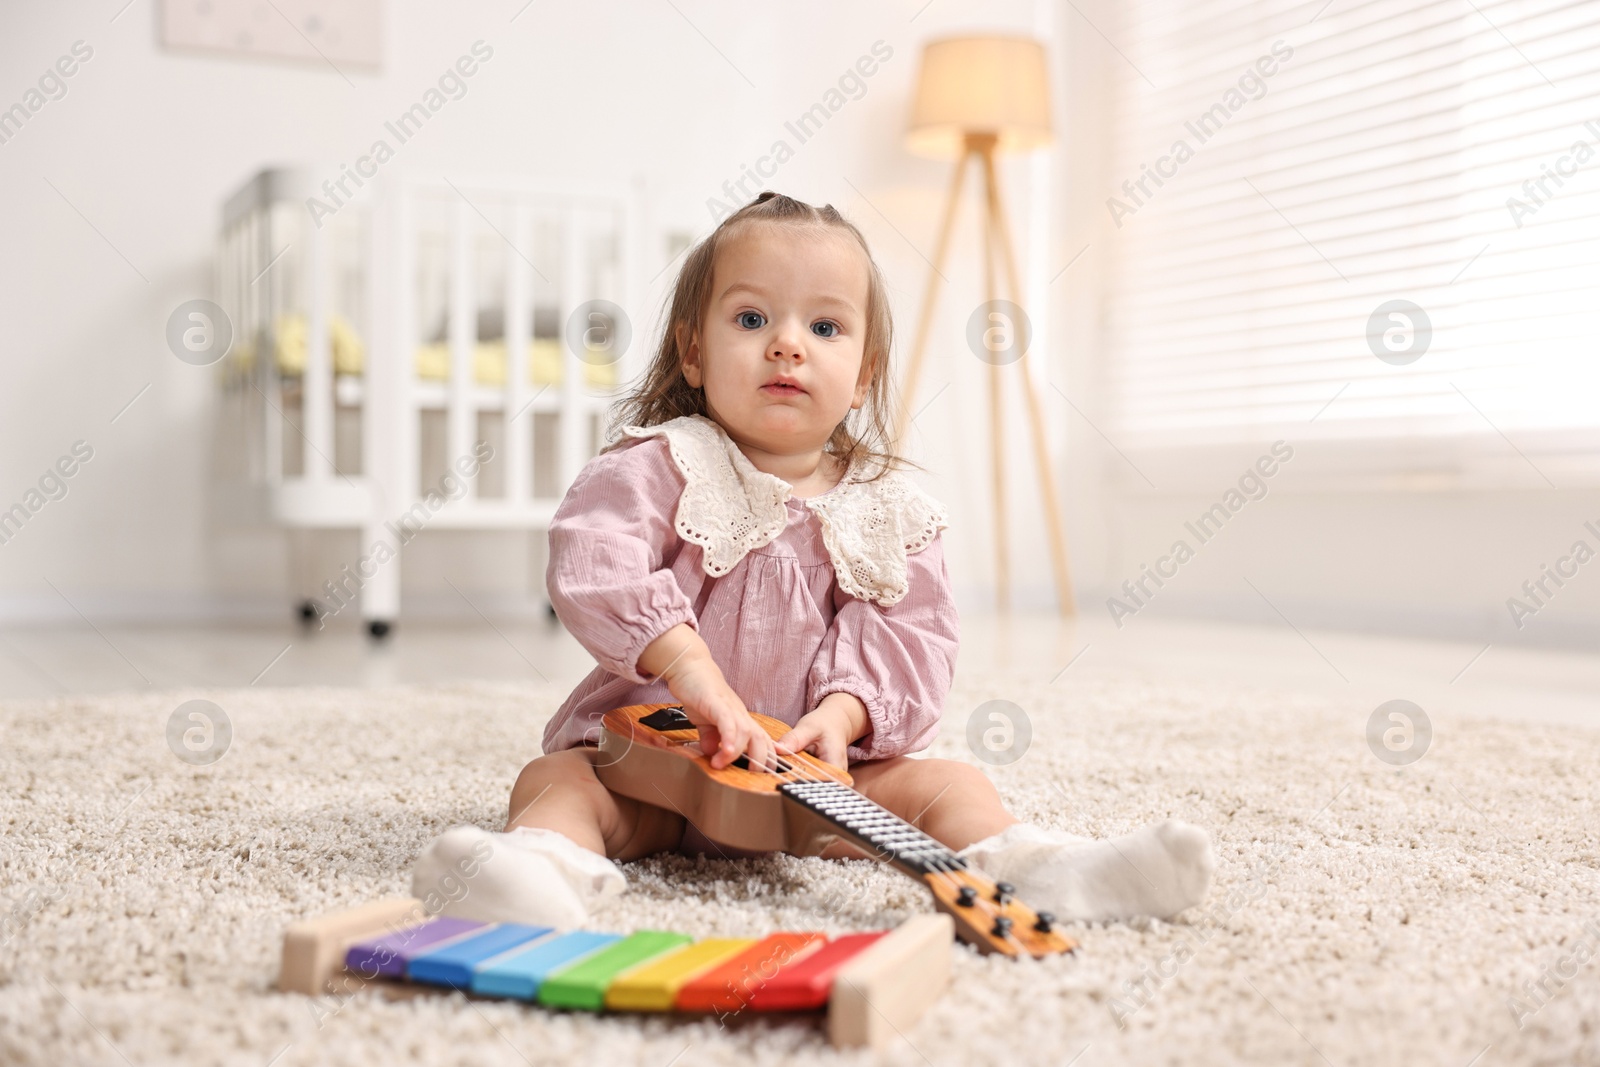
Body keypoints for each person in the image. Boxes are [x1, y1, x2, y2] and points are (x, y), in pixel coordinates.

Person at [412, 191, 1214, 929]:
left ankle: (1042, 868)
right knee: (555, 781)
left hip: (817, 786)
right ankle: (535, 872)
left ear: (862, 375)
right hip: (654, 770)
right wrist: (692, 673)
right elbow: (593, 558)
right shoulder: (660, 463)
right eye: (753, 319)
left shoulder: (887, 508)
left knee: (953, 786)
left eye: (825, 328)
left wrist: (841, 718)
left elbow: (912, 638)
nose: (788, 345)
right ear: (693, 353)